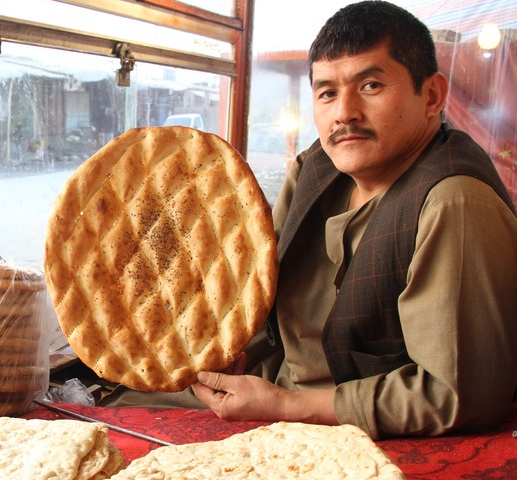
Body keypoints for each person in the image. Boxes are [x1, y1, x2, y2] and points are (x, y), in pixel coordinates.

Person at [190, 0, 517, 440]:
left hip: (348, 425)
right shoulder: (315, 168)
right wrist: (234, 354)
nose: (344, 112)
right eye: (327, 92)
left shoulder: (453, 203)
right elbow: (257, 295)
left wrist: (288, 405)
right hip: (272, 385)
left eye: (370, 85)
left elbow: (458, 394)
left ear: (433, 96)